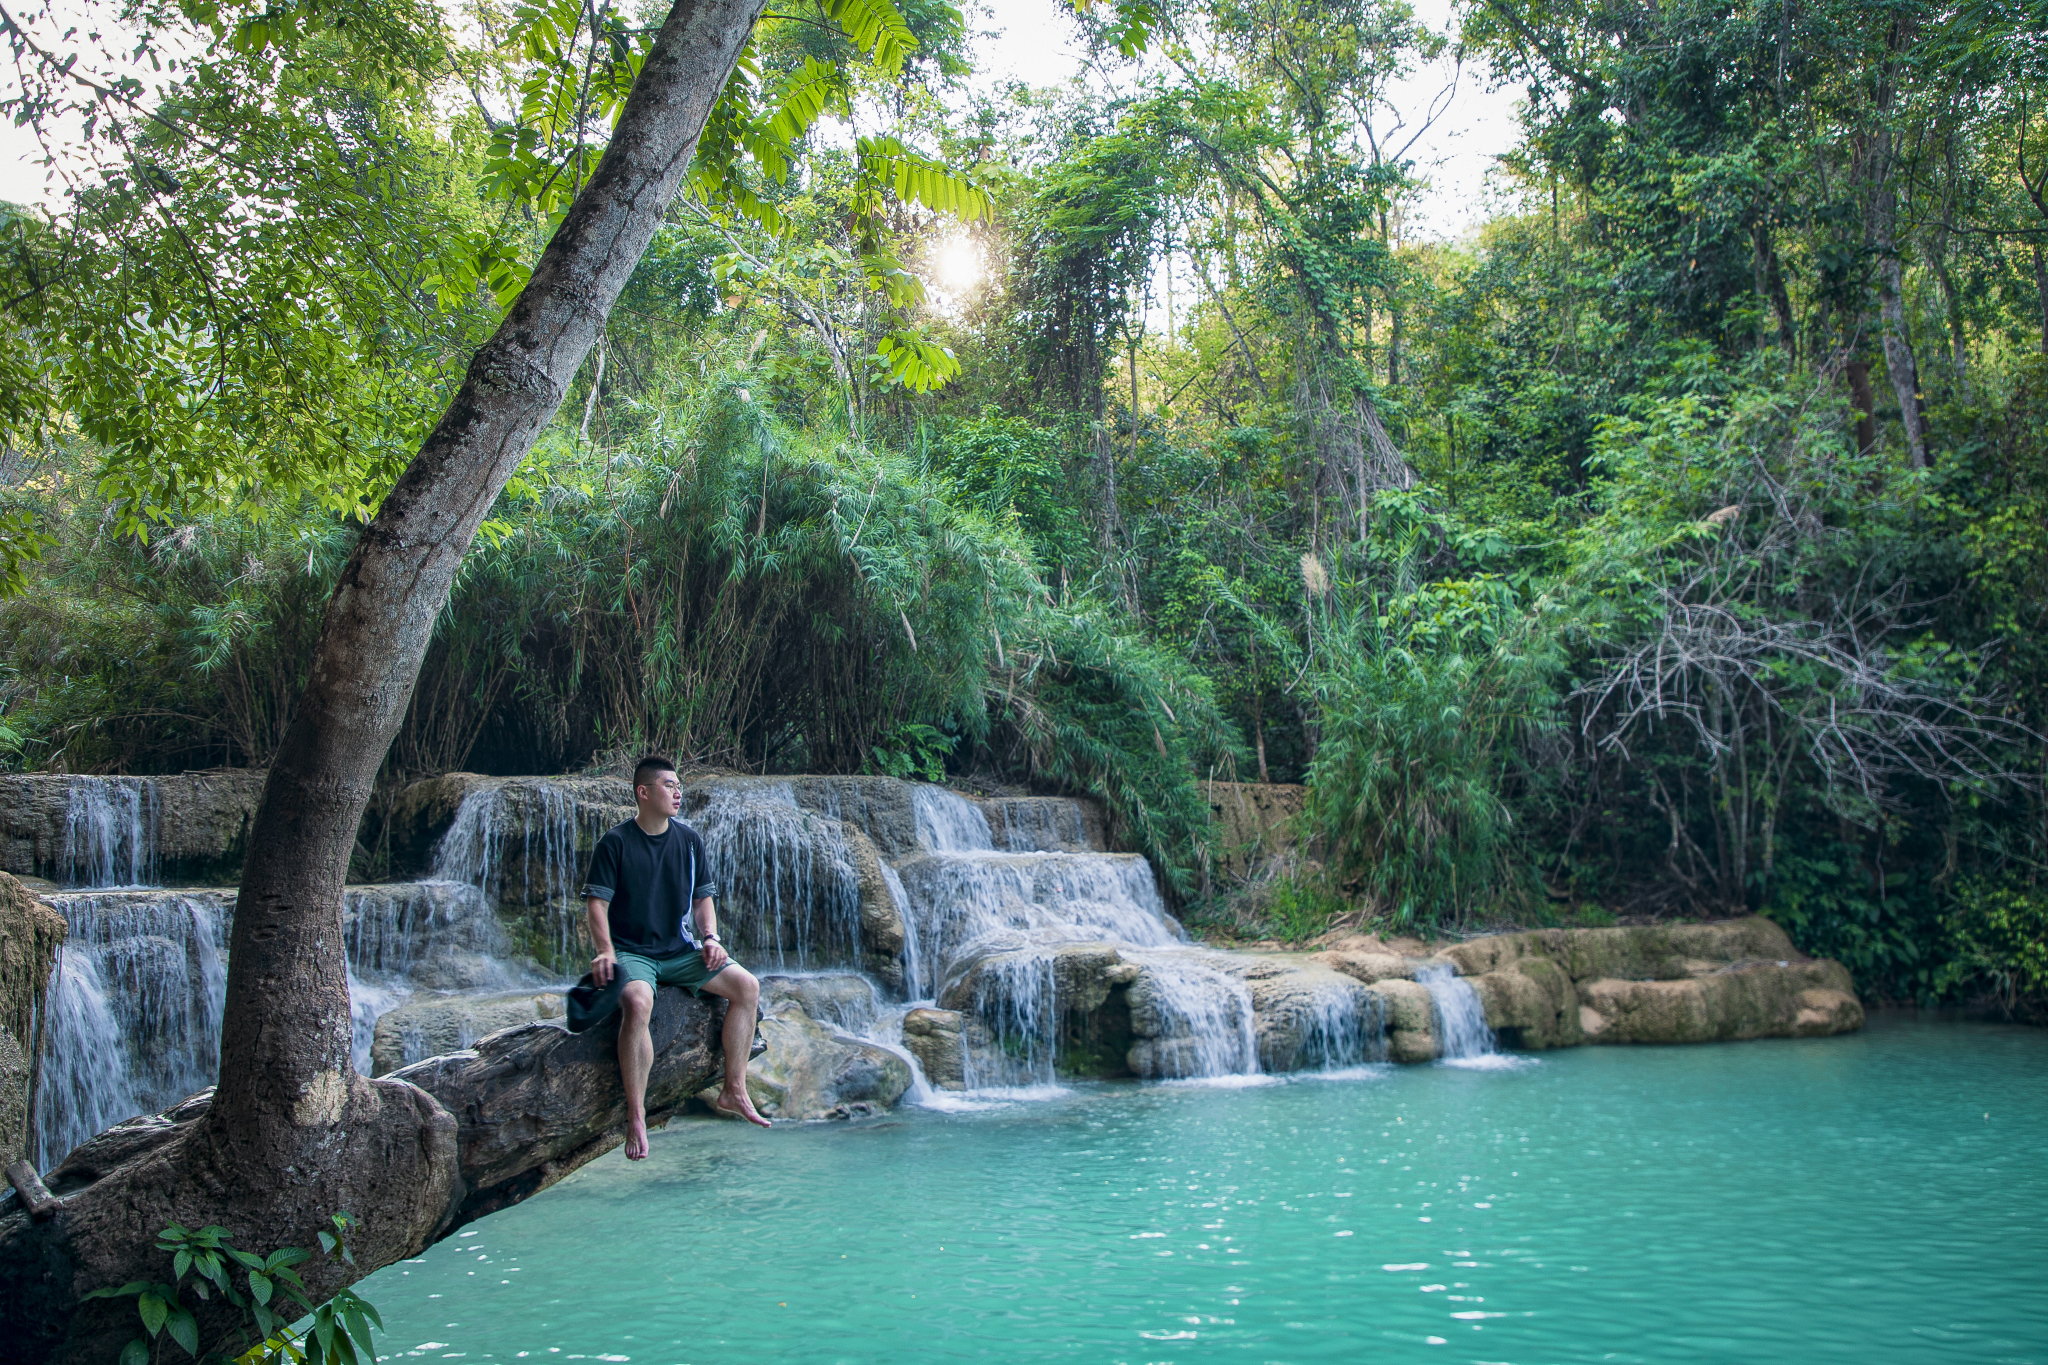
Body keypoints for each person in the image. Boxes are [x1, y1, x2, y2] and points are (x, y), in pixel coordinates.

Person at [582, 755, 771, 1153]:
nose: (678, 791)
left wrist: (712, 937)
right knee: (637, 1001)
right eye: (669, 785)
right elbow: (596, 903)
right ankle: (636, 1115)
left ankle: (733, 1089)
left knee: (746, 987)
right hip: (634, 952)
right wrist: (604, 951)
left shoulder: (688, 840)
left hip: (681, 950)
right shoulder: (615, 842)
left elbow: (703, 897)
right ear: (643, 792)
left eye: (678, 785)